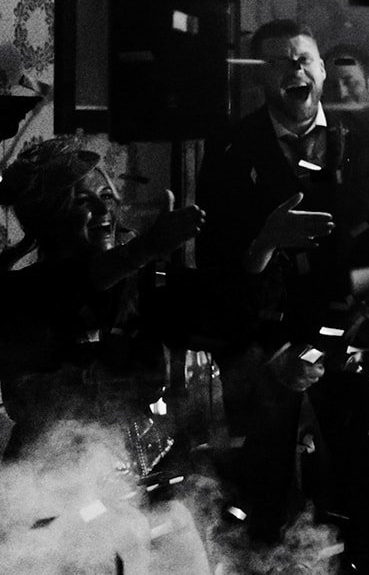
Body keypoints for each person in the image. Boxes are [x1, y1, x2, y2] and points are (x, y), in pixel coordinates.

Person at [195, 19, 369, 567]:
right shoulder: (230, 147)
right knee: (263, 491)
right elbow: (218, 266)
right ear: (261, 80)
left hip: (355, 333)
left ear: (320, 68)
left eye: (303, 59)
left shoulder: (367, 133)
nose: (294, 70)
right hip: (268, 341)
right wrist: (272, 350)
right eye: (279, 63)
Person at [0, 136, 211, 574]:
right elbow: (76, 286)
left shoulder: (134, 284)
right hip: (51, 489)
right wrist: (144, 250)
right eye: (83, 201)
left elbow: (211, 317)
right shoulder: (21, 294)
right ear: (48, 216)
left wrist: (260, 250)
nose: (102, 211)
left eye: (105, 197)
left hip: (143, 478)